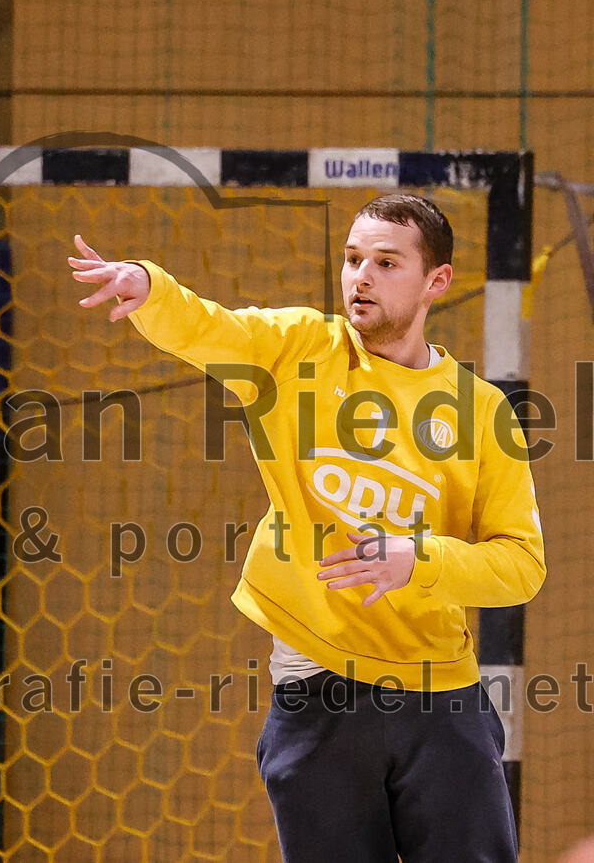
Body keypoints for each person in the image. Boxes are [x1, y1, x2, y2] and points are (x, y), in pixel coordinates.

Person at [68, 194, 546, 862]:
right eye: (353, 260)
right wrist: (149, 287)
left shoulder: (481, 410)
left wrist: (419, 559)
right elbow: (212, 327)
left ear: (437, 280)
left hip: (442, 696)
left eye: (385, 262)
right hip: (317, 683)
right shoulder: (300, 348)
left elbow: (521, 566)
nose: (361, 277)